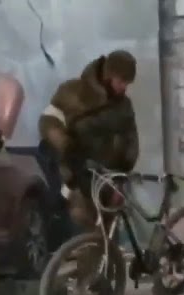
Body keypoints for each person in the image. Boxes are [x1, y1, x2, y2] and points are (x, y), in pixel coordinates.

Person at [37, 50, 140, 228]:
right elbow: (48, 121)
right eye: (121, 81)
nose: (124, 87)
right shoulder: (73, 92)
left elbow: (131, 140)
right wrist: (65, 144)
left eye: (127, 83)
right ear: (108, 76)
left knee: (107, 233)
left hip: (110, 180)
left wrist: (122, 175)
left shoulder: (124, 106)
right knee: (82, 221)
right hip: (78, 177)